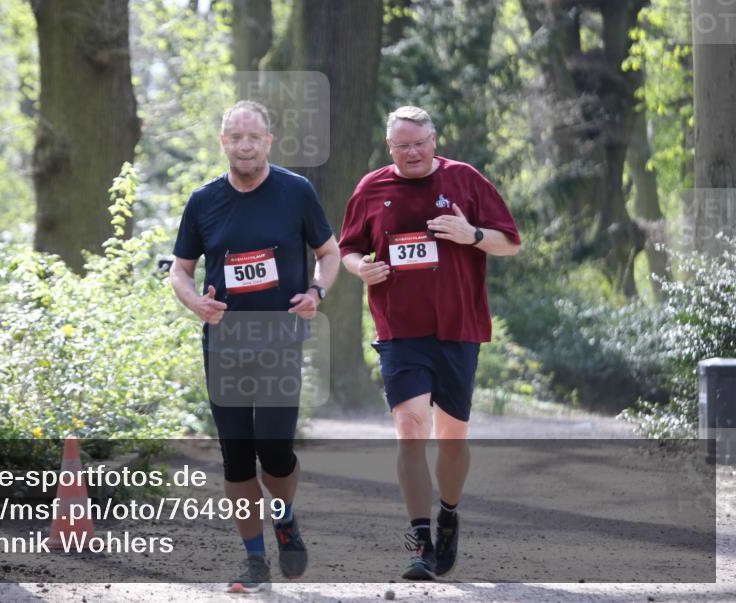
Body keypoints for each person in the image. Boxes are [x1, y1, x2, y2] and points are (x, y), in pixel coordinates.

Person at [339, 106, 520, 580]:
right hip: (399, 329)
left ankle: (449, 514)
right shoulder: (371, 188)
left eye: (420, 143)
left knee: (451, 439)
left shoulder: (465, 180)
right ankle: (419, 542)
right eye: (403, 146)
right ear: (390, 147)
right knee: (411, 426)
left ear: (434, 141)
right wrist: (362, 268)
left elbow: (510, 242)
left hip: (458, 327)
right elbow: (348, 249)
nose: (413, 152)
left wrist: (471, 234)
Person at [170, 100, 340, 593]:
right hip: (224, 346)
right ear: (223, 142)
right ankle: (254, 559)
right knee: (238, 459)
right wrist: (195, 303)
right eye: (235, 137)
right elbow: (181, 270)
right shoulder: (204, 201)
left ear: (268, 142)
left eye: (253, 137)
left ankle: (283, 517)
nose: (244, 145)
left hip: (281, 342)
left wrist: (316, 291)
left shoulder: (296, 191)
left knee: (275, 449)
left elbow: (329, 253)